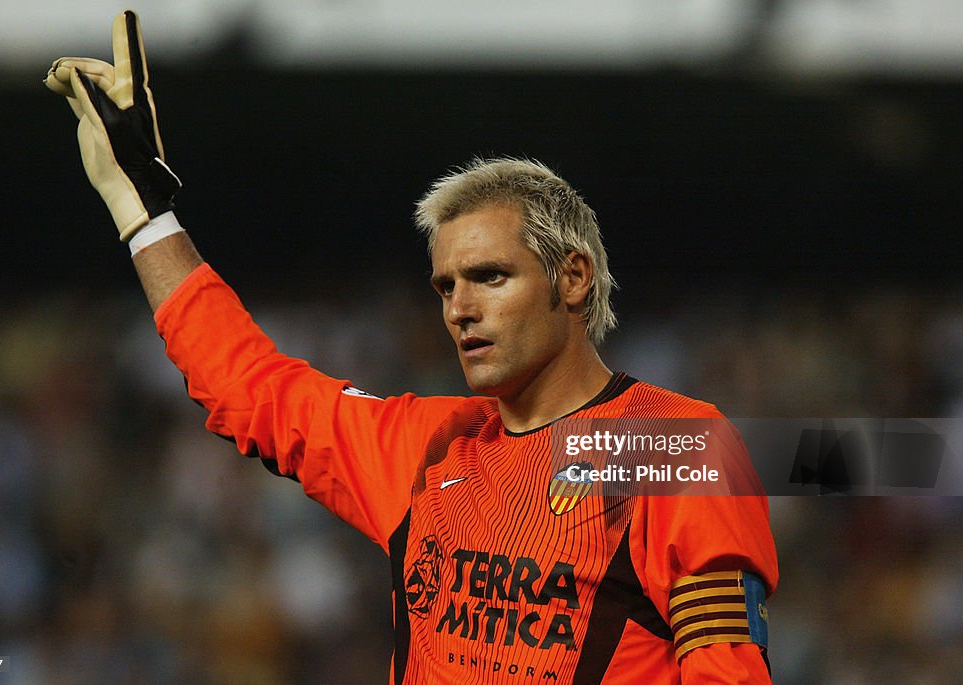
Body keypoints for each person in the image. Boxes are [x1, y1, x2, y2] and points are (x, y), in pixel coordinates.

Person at [45, 10, 778, 684]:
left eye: (489, 276)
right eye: (445, 285)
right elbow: (248, 386)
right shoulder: (428, 450)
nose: (459, 307)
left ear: (574, 277)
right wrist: (142, 211)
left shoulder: (675, 447)